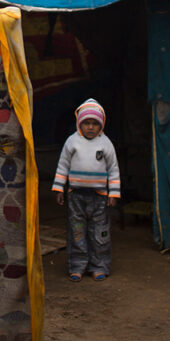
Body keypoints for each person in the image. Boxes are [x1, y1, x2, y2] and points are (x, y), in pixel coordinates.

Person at [52, 98, 120, 282]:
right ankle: (77, 266)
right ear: (79, 123)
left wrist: (113, 193)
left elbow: (113, 170)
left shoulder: (106, 144)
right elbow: (62, 166)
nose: (90, 127)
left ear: (101, 124)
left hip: (99, 198)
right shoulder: (72, 142)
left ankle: (99, 266)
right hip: (76, 197)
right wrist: (59, 189)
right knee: (77, 232)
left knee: (100, 233)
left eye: (95, 123)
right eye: (86, 123)